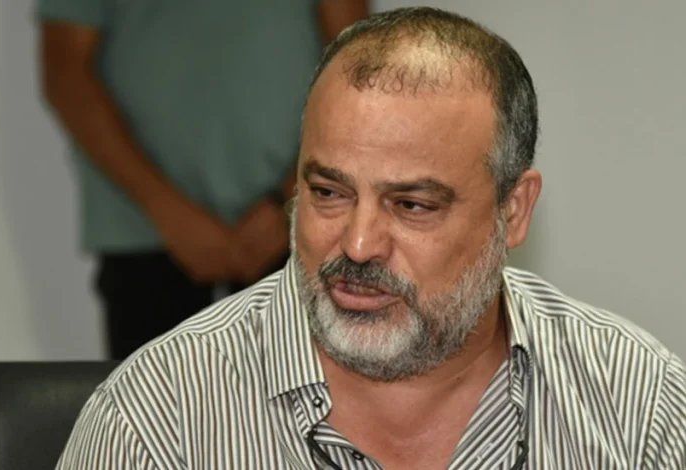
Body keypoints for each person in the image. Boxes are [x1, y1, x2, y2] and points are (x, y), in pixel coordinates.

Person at [55, 7, 686, 469]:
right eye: (329, 193)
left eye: (411, 205)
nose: (357, 246)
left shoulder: (638, 408)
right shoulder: (155, 424)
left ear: (513, 212)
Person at [37, 0, 369, 359]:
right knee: (154, 396)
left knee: (305, 393)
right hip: (144, 230)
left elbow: (355, 67)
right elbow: (66, 73)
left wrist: (292, 201)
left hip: (299, 225)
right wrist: (167, 211)